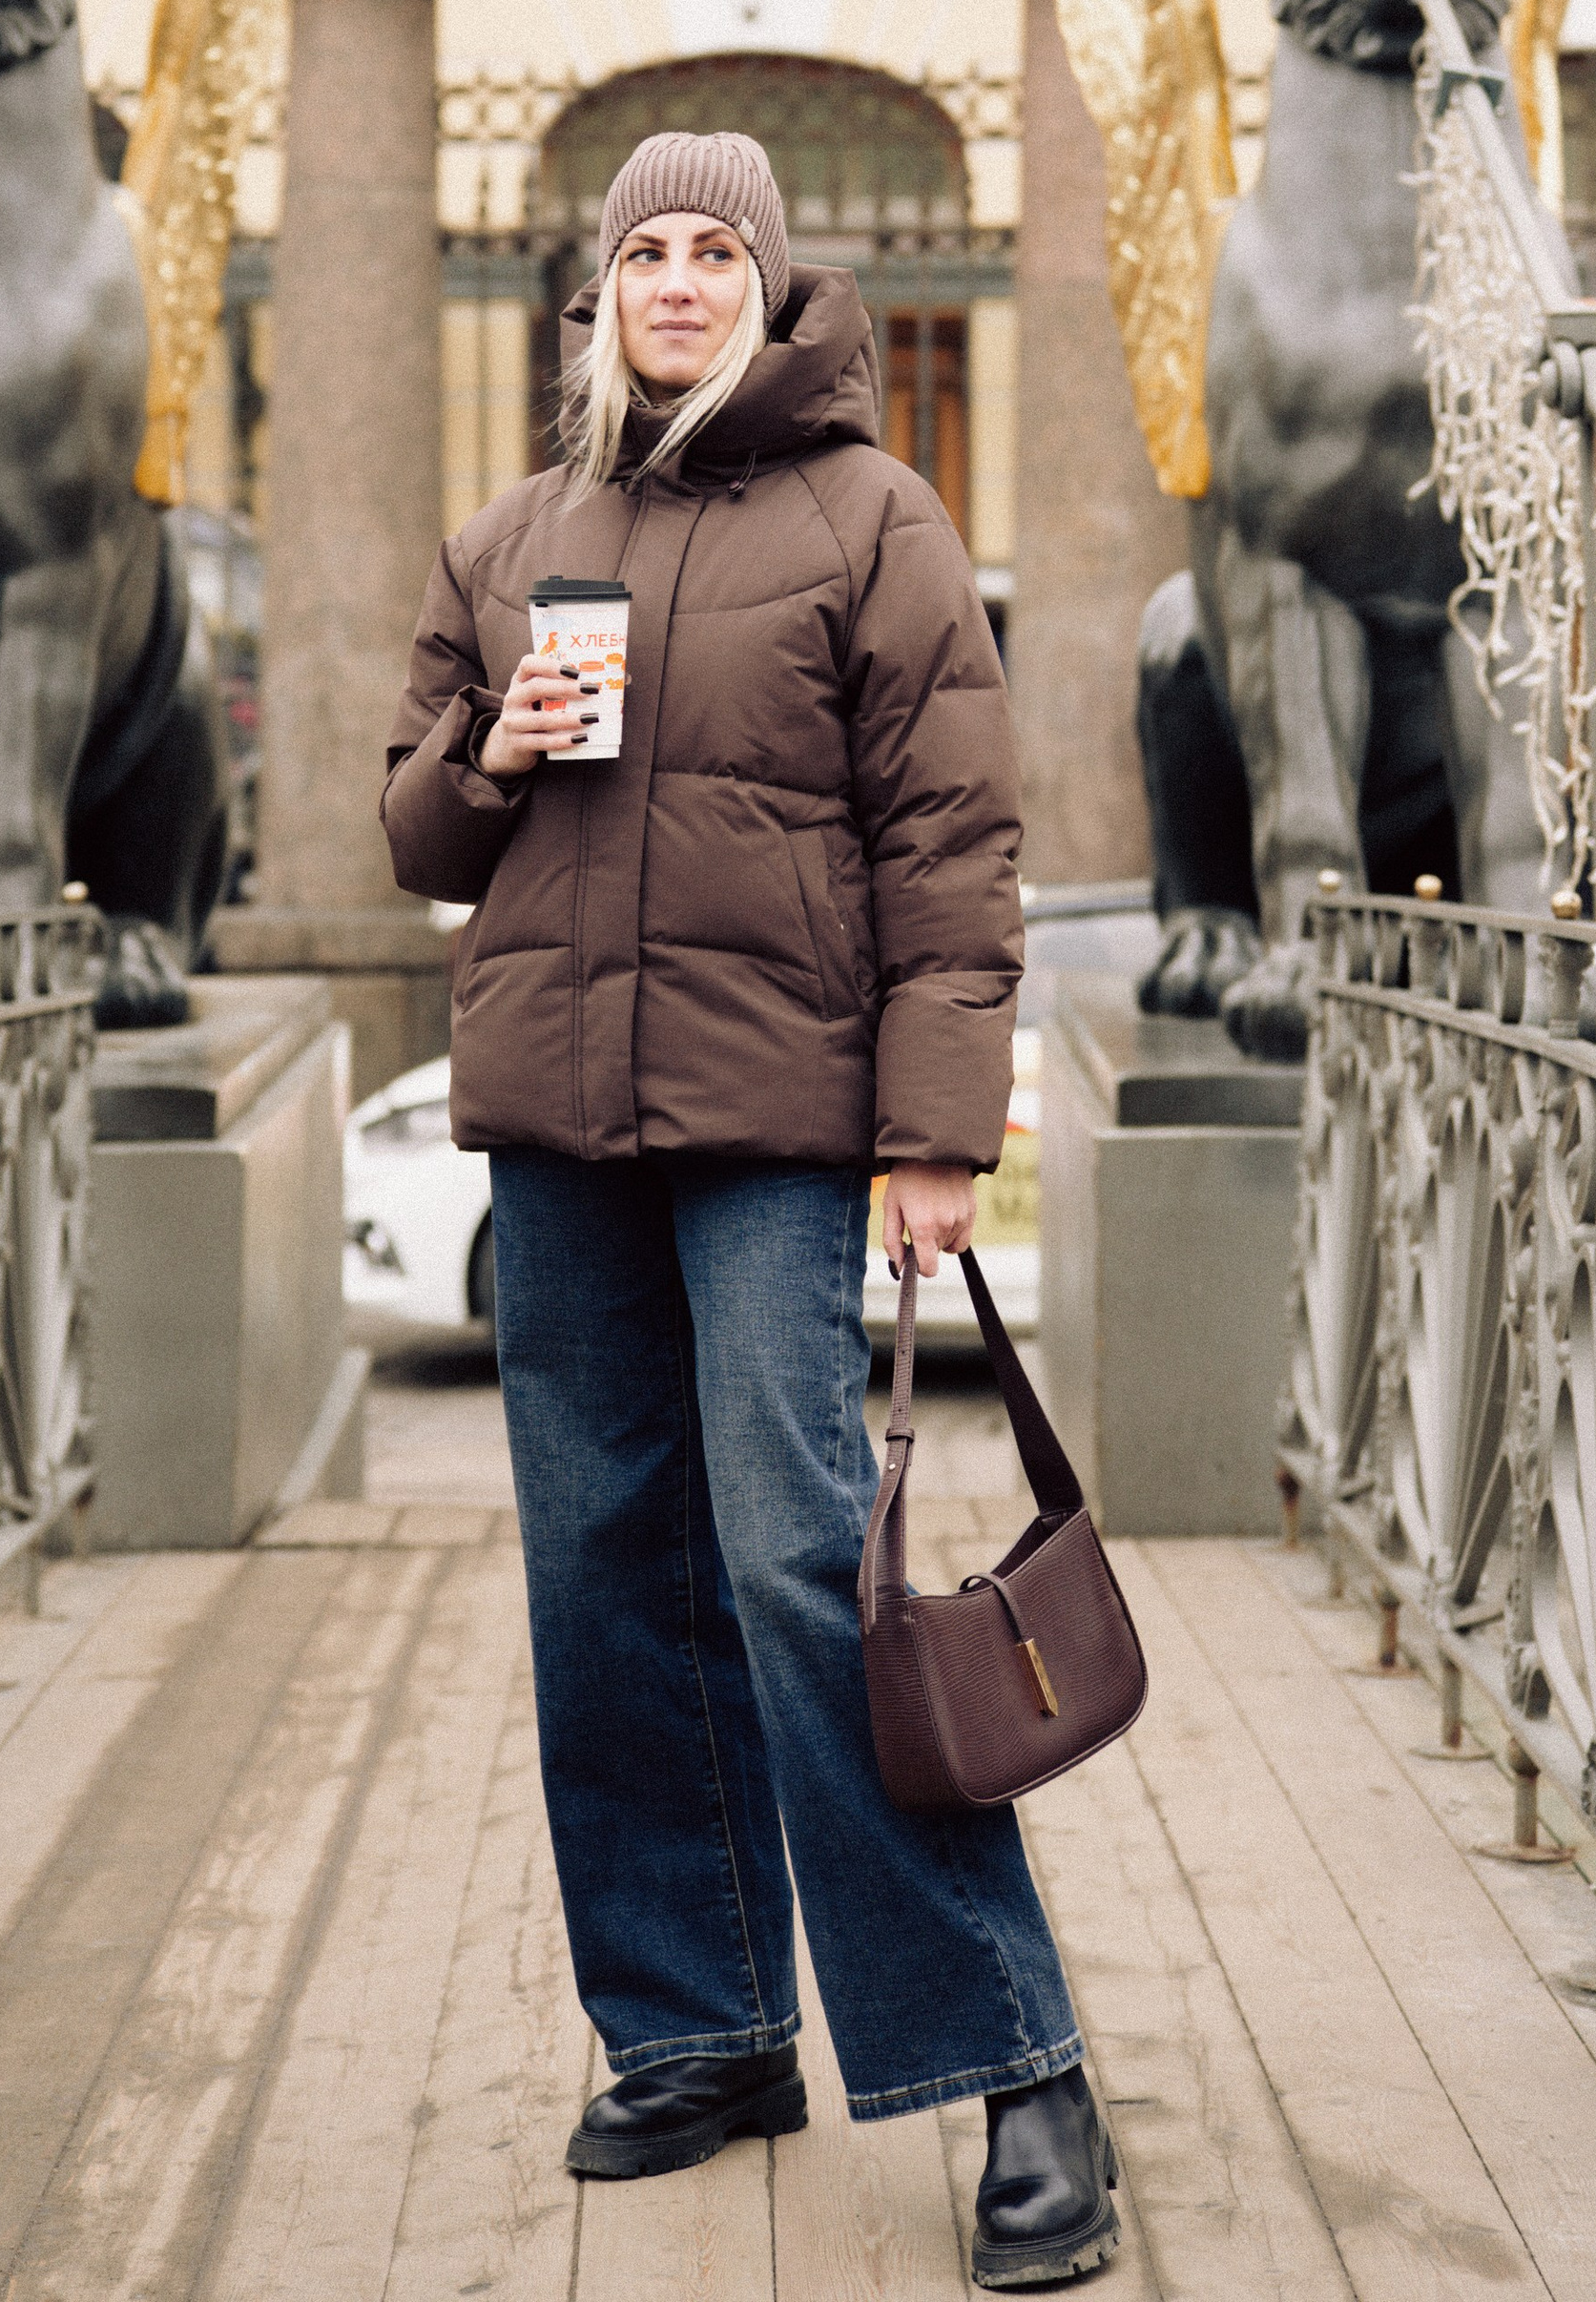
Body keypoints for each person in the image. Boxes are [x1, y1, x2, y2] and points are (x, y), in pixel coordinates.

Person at [383, 129, 1119, 2291]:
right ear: (594, 295)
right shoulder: (515, 535)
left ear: (772, 287)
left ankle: (1011, 2056)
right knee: (601, 1571)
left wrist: (930, 1133)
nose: (679, 282)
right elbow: (420, 831)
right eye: (645, 253)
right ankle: (695, 2028)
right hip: (558, 1125)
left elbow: (953, 851)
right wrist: (497, 749)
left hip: (780, 1128)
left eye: (717, 252)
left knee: (807, 1569)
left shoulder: (870, 522)